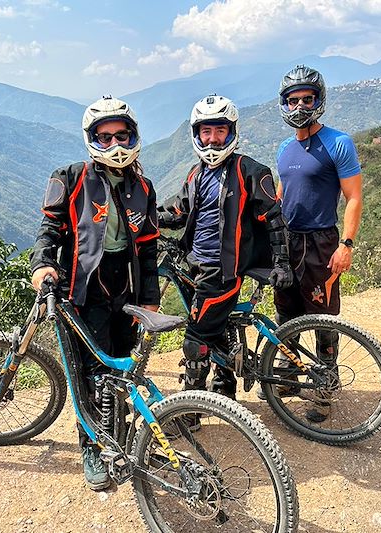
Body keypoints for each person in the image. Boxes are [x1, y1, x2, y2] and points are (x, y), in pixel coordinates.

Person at [30, 96, 160, 490]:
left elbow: (150, 245)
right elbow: (49, 229)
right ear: (91, 140)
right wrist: (42, 264)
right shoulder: (69, 178)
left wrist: (150, 296)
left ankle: (118, 435)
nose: (115, 144)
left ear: (134, 136)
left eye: (122, 135)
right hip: (83, 286)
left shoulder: (143, 186)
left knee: (122, 365)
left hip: (127, 286)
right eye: (104, 137)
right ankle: (90, 444)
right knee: (90, 372)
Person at [159, 94, 293, 422]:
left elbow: (273, 219)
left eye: (219, 131)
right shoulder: (196, 174)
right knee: (217, 328)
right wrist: (140, 218)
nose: (212, 139)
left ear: (231, 132)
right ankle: (225, 384)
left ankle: (189, 412)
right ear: (197, 134)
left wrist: (282, 262)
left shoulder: (250, 171)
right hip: (197, 265)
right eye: (206, 132)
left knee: (195, 338)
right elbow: (177, 211)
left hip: (224, 272)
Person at [270, 65, 364, 422]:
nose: (299, 107)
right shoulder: (283, 148)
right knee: (286, 310)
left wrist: (347, 244)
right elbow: (282, 195)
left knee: (323, 317)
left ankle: (325, 384)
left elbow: (353, 197)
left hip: (322, 242)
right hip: (288, 241)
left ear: (319, 100)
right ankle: (291, 372)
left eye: (306, 99)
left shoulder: (338, 143)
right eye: (292, 100)